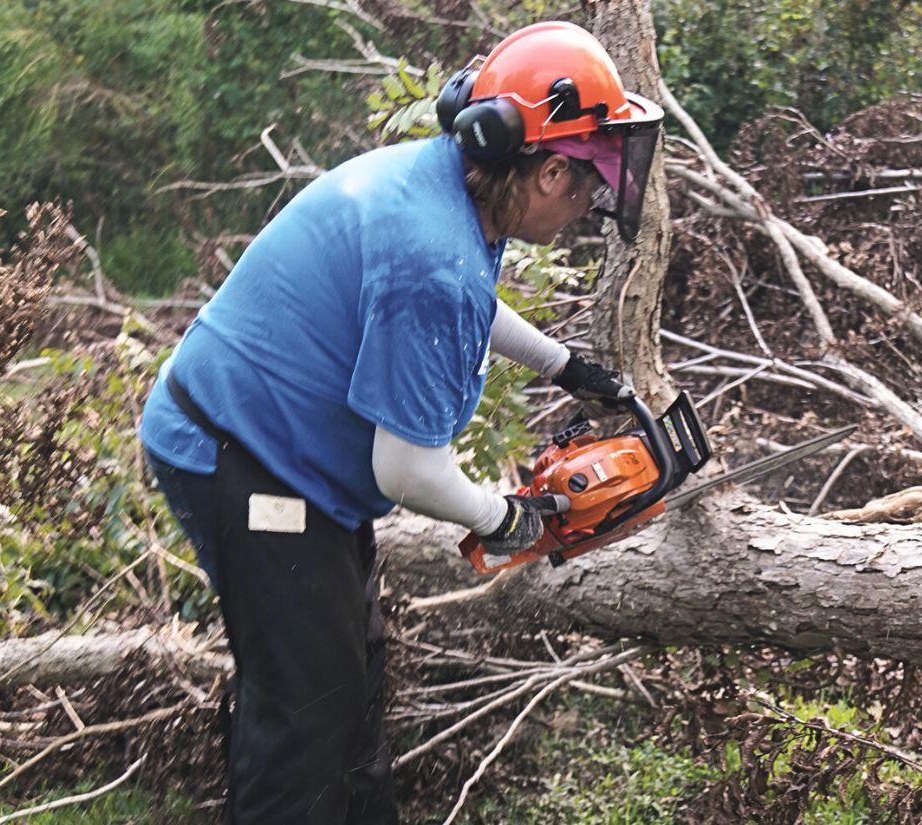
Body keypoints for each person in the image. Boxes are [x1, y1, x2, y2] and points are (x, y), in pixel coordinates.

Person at [138, 20, 663, 825]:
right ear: (552, 170)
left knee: (355, 674)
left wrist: (564, 365)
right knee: (305, 706)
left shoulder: (454, 186)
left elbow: (468, 302)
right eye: (590, 183)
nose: (593, 202)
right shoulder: (435, 253)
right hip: (233, 454)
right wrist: (508, 517)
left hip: (292, 456)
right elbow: (407, 471)